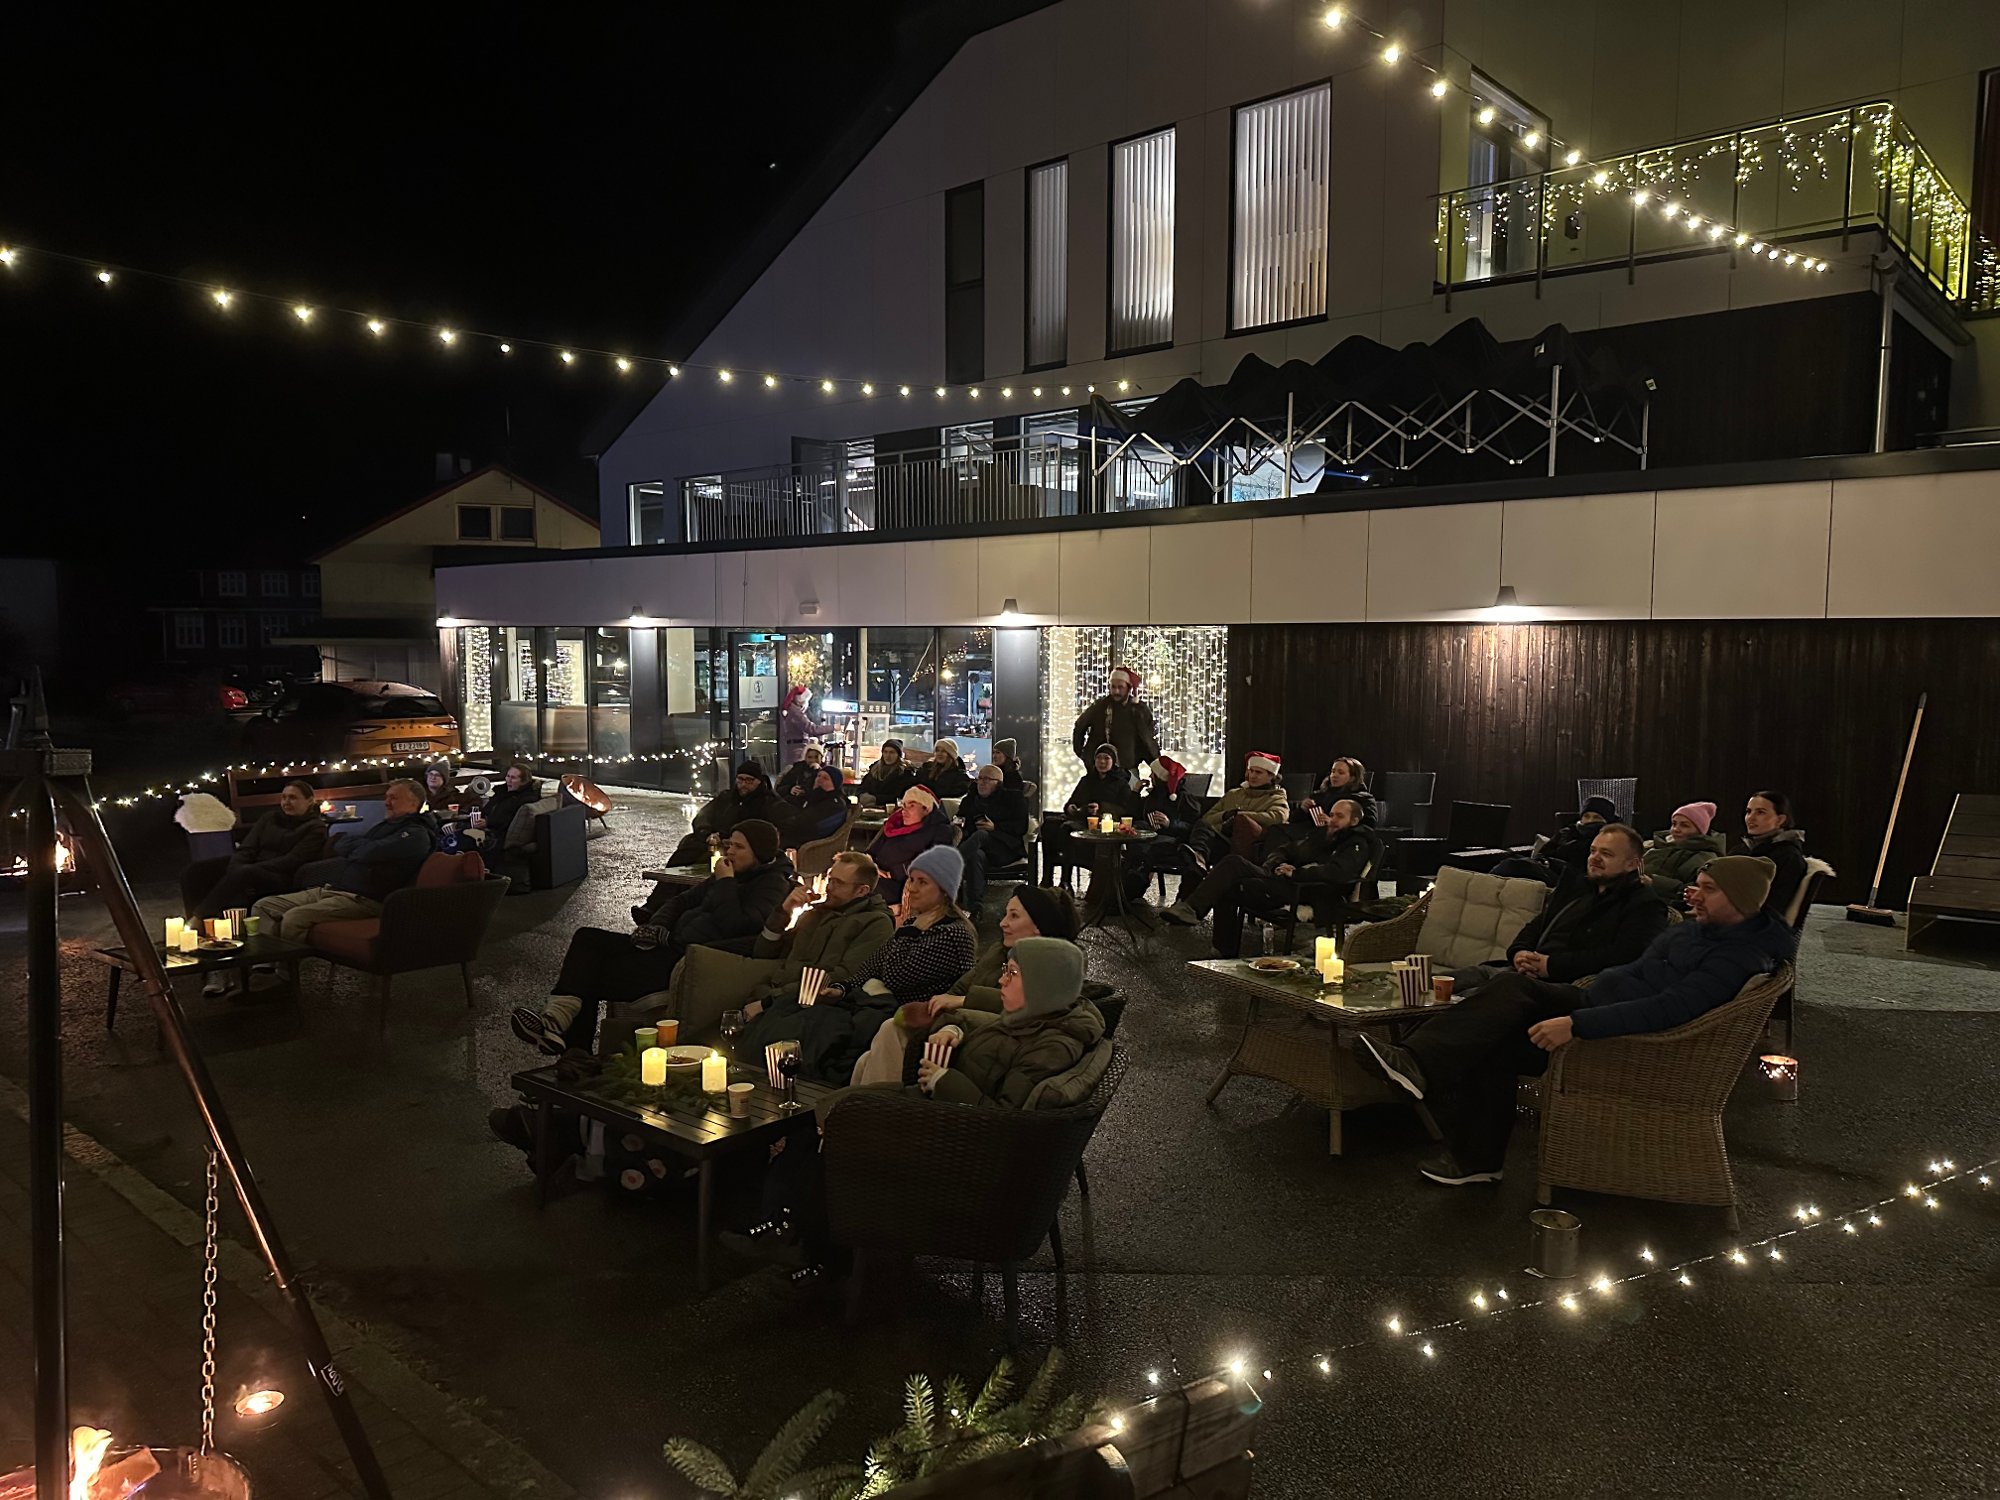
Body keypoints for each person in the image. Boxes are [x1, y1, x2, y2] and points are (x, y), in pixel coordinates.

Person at [1356, 856, 1794, 1186]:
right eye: (1697, 885)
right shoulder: (1695, 931)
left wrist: (1576, 1023)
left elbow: (1669, 1010)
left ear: (1740, 901)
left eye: (1708, 889)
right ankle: (1452, 1122)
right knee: (1506, 999)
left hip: (1629, 1040)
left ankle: (1428, 1083)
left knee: (1503, 1018)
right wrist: (1584, 994)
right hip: (1594, 1002)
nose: (1692, 895)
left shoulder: (1736, 956)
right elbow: (1635, 972)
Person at [728, 934, 1104, 1280]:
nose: (1002, 981)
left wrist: (943, 1079)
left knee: (834, 1132)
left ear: (1042, 984)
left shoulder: (1050, 1047)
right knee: (819, 1120)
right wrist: (955, 1029)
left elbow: (1004, 1118)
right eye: (1005, 970)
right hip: (939, 1115)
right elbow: (988, 1021)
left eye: (1013, 973)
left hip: (951, 1141)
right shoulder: (1034, 1016)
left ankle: (812, 1246)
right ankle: (790, 1227)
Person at [512, 820, 794, 1055]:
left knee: (588, 976)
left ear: (760, 853)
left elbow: (735, 925)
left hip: (688, 959)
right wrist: (655, 926)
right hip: (666, 944)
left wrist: (725, 883)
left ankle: (566, 1042)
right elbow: (680, 900)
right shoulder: (729, 875)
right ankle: (559, 1026)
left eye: (739, 847)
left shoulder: (770, 885)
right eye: (729, 844)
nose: (729, 851)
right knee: (587, 938)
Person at [738, 845, 976, 1083]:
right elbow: (870, 967)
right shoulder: (819, 915)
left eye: (922, 882)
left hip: (910, 1016)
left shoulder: (951, 933)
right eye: (911, 880)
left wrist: (907, 931)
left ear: (944, 889)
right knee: (785, 1021)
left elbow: (896, 976)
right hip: (860, 1003)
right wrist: (840, 989)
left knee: (812, 1028)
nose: (911, 888)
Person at [622, 851, 895, 1049]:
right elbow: (765, 951)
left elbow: (840, 978)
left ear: (862, 891)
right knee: (698, 1043)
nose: (829, 887)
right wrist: (784, 912)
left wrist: (768, 1003)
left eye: (838, 883)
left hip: (801, 1007)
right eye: (830, 879)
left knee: (726, 1047)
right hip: (771, 993)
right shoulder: (818, 913)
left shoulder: (875, 924)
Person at [849, 884, 1080, 1086]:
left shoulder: (1049, 967)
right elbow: (958, 988)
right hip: (958, 1028)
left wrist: (960, 1009)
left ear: (1038, 926)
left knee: (890, 1030)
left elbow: (1024, 1011)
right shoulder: (1000, 952)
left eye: (1014, 916)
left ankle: (882, 1112)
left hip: (980, 1048)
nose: (1002, 923)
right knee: (865, 1060)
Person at [1445, 824, 1669, 996]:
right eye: (1593, 851)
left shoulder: (1644, 904)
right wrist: (1519, 953)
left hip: (1561, 985)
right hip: (1520, 971)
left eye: (1606, 854)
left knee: (1469, 997)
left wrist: (1551, 966)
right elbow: (1536, 925)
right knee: (1442, 981)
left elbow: (1623, 956)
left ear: (1632, 864)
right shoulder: (1577, 888)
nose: (1595, 858)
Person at [1163, 797, 1379, 954]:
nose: (1332, 820)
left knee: (1232, 869)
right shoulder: (1323, 837)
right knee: (1229, 877)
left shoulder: (1356, 844)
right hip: (1284, 880)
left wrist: (1297, 873)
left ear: (1354, 821)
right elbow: (1290, 849)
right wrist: (1276, 863)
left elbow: (1337, 872)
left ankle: (1194, 910)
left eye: (1339, 816)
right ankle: (1220, 945)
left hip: (1306, 890)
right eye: (1331, 814)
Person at [251, 779, 437, 943]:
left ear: (414, 802)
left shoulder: (416, 835)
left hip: (365, 900)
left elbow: (366, 852)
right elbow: (342, 844)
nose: (386, 802)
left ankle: (287, 970)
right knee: (264, 906)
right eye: (386, 797)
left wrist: (362, 848)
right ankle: (264, 965)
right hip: (337, 889)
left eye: (393, 798)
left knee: (295, 918)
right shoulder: (386, 827)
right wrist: (363, 847)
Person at [181, 778, 329, 920]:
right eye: (284, 797)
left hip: (282, 876)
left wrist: (249, 869)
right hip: (252, 868)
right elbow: (247, 848)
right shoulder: (270, 818)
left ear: (309, 801)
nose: (286, 802)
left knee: (245, 873)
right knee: (197, 871)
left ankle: (199, 917)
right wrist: (235, 867)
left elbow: (292, 860)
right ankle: (198, 922)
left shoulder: (315, 827)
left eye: (293, 798)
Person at [1051, 744, 1141, 914]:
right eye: (1099, 758)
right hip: (1084, 820)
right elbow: (1072, 802)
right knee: (1064, 828)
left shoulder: (1121, 783)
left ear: (1113, 761)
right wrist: (1071, 808)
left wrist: (1102, 808)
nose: (1102, 762)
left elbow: (1126, 809)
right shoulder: (1087, 780)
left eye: (1106, 758)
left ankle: (1100, 887)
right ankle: (1064, 881)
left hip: (1108, 824)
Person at [1182, 752, 1290, 876]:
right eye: (1251, 771)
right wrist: (1225, 815)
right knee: (1200, 831)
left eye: (1258, 772)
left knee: (1199, 849)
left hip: (1250, 846)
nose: (1252, 775)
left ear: (1271, 776)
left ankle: (1198, 858)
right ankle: (1198, 859)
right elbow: (1207, 818)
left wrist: (1240, 814)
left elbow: (1278, 817)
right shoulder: (1234, 794)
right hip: (1219, 839)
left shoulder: (1276, 797)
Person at [664, 760, 786, 867]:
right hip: (714, 843)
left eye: (749, 780)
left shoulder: (769, 803)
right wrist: (707, 834)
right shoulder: (726, 798)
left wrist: (734, 840)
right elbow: (703, 817)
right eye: (740, 779)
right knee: (686, 853)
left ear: (759, 781)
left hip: (744, 848)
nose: (743, 784)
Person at [1123, 754, 1204, 904]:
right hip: (1147, 840)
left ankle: (1130, 887)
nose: (1150, 777)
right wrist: (1135, 792)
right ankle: (1125, 890)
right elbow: (1131, 816)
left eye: (1152, 774)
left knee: (1140, 856)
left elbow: (1195, 827)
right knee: (1135, 848)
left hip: (1172, 842)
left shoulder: (1184, 798)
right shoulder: (1152, 796)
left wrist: (1170, 824)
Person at [956, 762, 1029, 917]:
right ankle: (975, 908)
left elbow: (1020, 827)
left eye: (987, 779)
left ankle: (950, 863)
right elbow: (961, 821)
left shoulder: (1013, 798)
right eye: (980, 778)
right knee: (976, 856)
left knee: (982, 835)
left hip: (1005, 847)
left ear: (998, 783)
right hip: (975, 848)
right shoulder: (970, 800)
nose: (981, 783)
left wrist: (995, 827)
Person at [866, 784, 954, 903]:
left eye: (911, 806)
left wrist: (892, 873)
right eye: (904, 806)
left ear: (926, 808)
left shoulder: (940, 830)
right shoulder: (895, 826)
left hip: (902, 885)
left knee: (856, 886)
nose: (904, 811)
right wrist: (869, 864)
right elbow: (871, 851)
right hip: (875, 873)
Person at [1071, 664, 1159, 774]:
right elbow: (1079, 726)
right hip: (1101, 771)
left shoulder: (1139, 710)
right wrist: (1084, 755)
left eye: (1120, 687)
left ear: (1128, 688)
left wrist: (1155, 763)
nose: (1116, 691)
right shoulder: (1100, 706)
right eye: (1113, 687)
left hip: (1128, 770)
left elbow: (1147, 738)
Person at [1740, 790, 1809, 919]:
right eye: (1748, 811)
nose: (1751, 818)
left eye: (1760, 812)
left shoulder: (1788, 856)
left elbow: (1774, 906)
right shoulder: (1742, 849)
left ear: (1780, 819)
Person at [1642, 802, 1726, 906]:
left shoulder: (1705, 858)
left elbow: (1694, 892)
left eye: (1684, 825)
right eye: (1674, 824)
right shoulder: (1654, 847)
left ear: (1700, 831)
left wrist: (1654, 882)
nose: (1676, 829)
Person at [777, 764, 851, 848]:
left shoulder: (835, 805)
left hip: (809, 847)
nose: (819, 780)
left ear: (835, 785)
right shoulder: (813, 796)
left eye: (825, 778)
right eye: (818, 776)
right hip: (792, 837)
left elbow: (806, 826)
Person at [1291, 756, 1376, 828]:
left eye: (1341, 773)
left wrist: (1333, 823)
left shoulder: (1364, 799)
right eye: (1333, 771)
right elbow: (1295, 824)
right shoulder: (1318, 797)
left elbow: (1368, 826)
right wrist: (1302, 810)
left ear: (1352, 778)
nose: (1334, 775)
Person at [479, 763, 543, 847]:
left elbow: (509, 821)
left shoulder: (526, 799)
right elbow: (488, 809)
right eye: (508, 776)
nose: (508, 780)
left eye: (513, 778)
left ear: (523, 782)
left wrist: (488, 823)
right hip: (483, 828)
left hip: (495, 838)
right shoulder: (501, 792)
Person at [779, 686, 831, 768]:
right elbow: (812, 729)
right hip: (798, 749)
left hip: (794, 747)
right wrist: (833, 728)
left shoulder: (791, 709)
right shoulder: (796, 712)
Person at [857, 739, 918, 808]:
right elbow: (862, 787)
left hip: (891, 809)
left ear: (898, 755)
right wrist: (861, 795)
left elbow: (901, 796)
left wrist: (876, 799)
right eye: (885, 752)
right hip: (869, 808)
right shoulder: (874, 769)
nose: (888, 756)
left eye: (892, 752)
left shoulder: (905, 773)